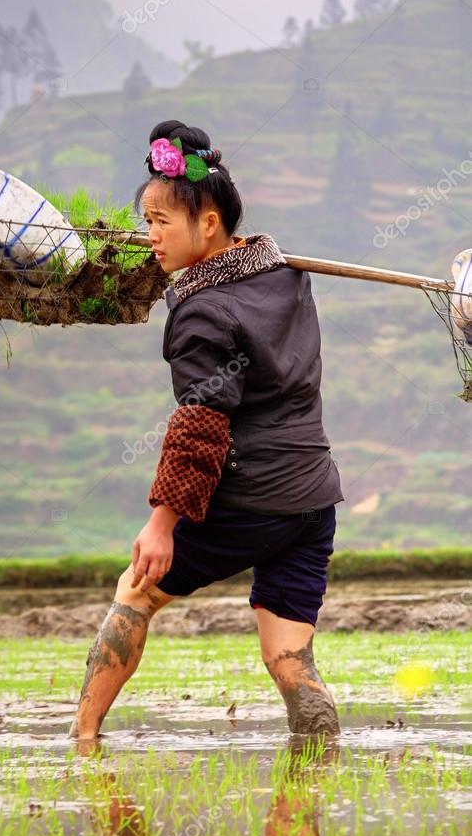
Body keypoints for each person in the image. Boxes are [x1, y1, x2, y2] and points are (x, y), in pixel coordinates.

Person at [68, 119, 344, 741]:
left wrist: (162, 521)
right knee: (287, 657)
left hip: (251, 497)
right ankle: (319, 766)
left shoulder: (201, 314)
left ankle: (81, 741)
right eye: (147, 220)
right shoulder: (283, 277)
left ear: (210, 222)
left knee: (135, 592)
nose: (150, 237)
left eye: (162, 221)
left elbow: (201, 424)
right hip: (313, 498)